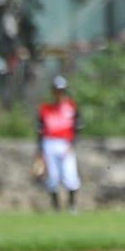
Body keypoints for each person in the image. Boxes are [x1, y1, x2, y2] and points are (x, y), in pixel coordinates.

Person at [36, 75, 83, 213]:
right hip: (49, 143)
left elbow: (78, 127)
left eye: (61, 90)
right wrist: (39, 151)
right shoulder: (45, 108)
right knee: (53, 177)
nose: (59, 93)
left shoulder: (71, 107)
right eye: (57, 90)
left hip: (66, 143)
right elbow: (39, 130)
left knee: (70, 175)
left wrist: (72, 144)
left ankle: (72, 207)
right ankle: (56, 209)